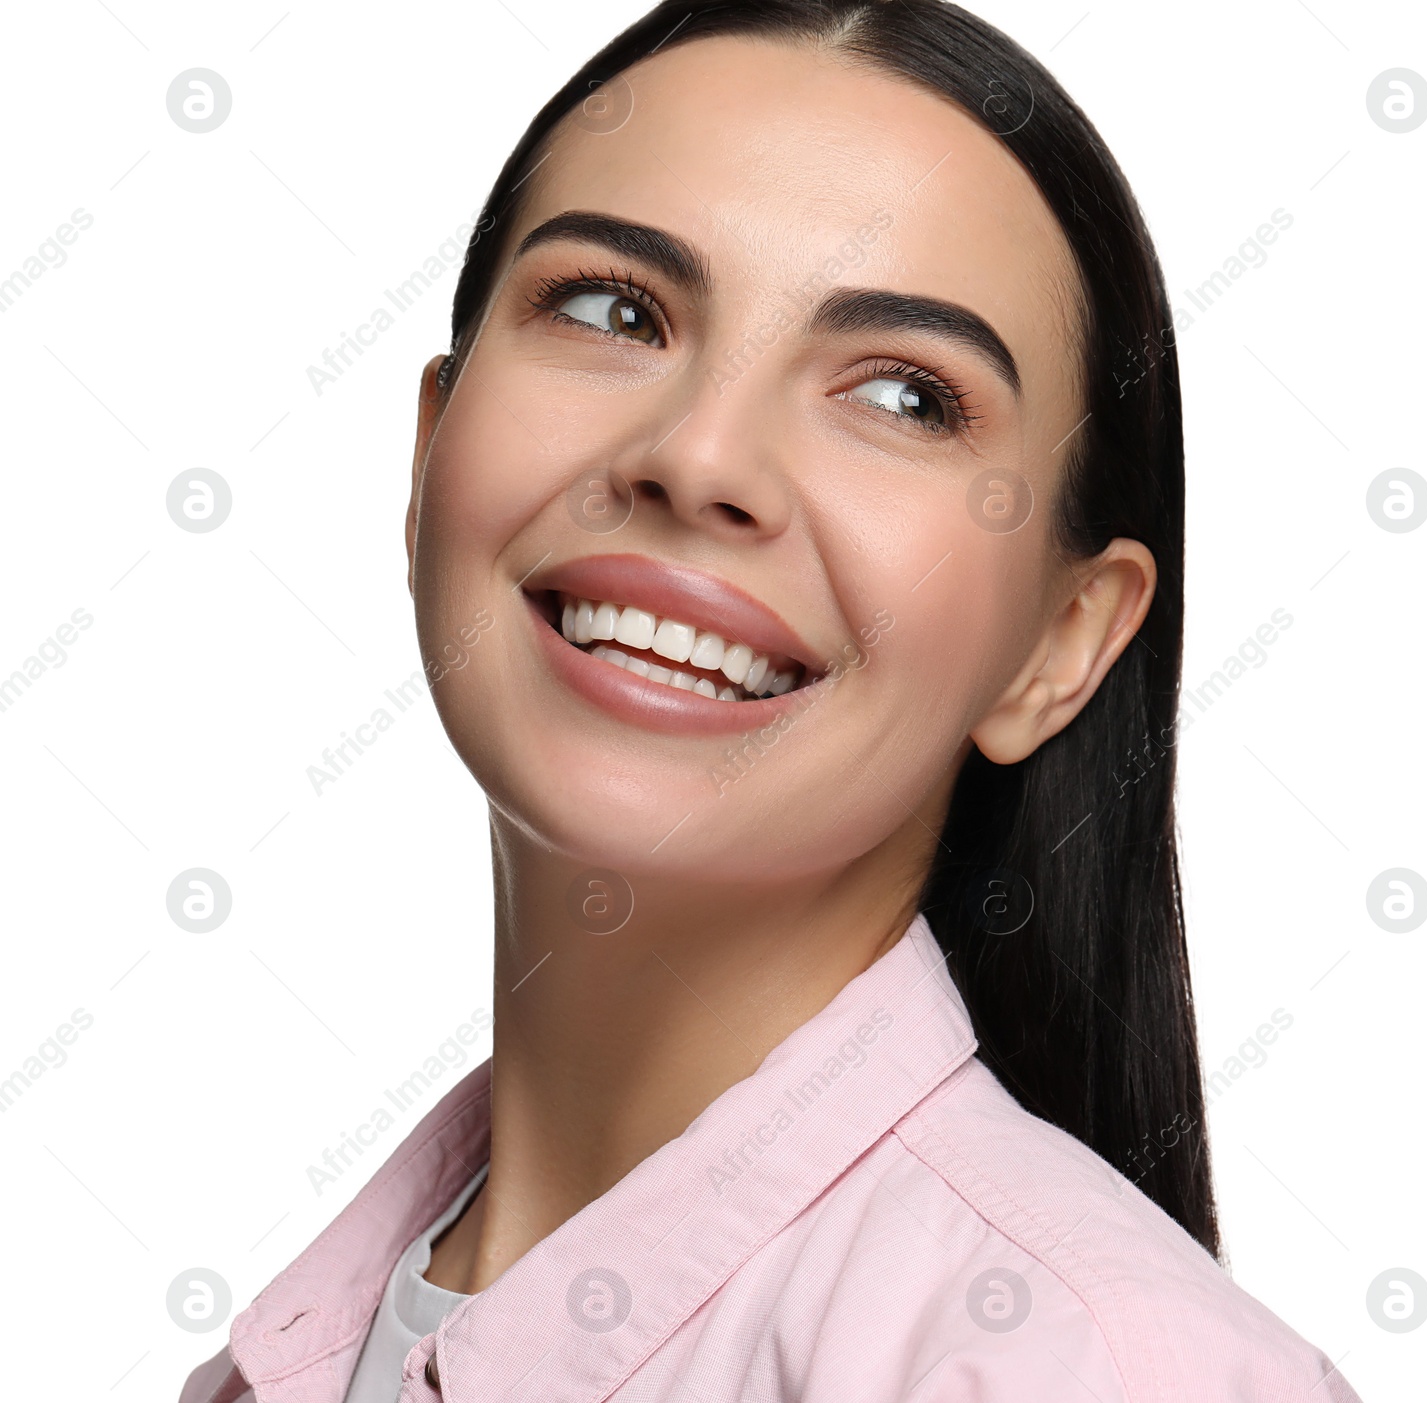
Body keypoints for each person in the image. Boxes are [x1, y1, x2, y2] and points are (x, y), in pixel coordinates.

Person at [181, 1, 1361, 1398]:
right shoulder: (291, 1359)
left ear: (1060, 643)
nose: (699, 455)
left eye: (909, 397)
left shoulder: (1100, 1369)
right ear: (430, 452)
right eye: (616, 308)